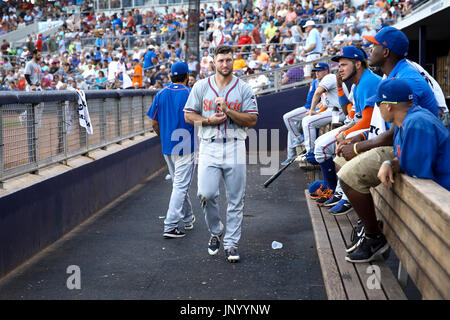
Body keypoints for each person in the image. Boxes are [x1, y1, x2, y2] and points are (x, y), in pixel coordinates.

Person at [333, 27, 439, 263]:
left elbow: (400, 129)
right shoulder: (394, 74)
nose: (370, 49)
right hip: (402, 140)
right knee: (341, 159)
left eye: (374, 45)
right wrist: (360, 138)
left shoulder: (406, 80)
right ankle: (366, 218)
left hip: (415, 146)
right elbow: (387, 126)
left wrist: (361, 147)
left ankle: (374, 237)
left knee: (348, 174)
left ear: (386, 51)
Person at [183, 45, 258, 263]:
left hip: (234, 144)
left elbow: (252, 120)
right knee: (205, 194)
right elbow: (189, 115)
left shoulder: (243, 88)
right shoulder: (201, 86)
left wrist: (228, 111)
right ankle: (216, 230)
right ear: (213, 62)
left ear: (233, 61)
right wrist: (207, 120)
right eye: (221, 60)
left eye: (228, 60)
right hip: (209, 144)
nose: (225, 64)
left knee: (235, 198)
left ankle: (231, 243)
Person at [147, 62, 196, 238]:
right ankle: (170, 225)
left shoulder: (161, 93)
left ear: (171, 76)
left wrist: (163, 137)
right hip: (186, 145)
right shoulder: (190, 93)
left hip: (168, 145)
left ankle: (189, 218)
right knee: (181, 187)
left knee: (179, 185)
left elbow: (153, 122)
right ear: (186, 76)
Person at [375, 78, 450, 191]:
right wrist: (389, 163)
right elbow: (406, 160)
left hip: (443, 197)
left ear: (388, 106)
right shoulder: (406, 121)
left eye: (378, 104)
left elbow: (420, 175)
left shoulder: (416, 123)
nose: (378, 108)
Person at [281, 72, 319, 164]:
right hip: (307, 107)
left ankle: (298, 139)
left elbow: (322, 97)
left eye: (318, 71)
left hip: (310, 109)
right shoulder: (315, 81)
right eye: (315, 70)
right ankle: (291, 156)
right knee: (292, 128)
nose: (316, 72)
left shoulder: (321, 81)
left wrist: (315, 108)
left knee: (287, 117)